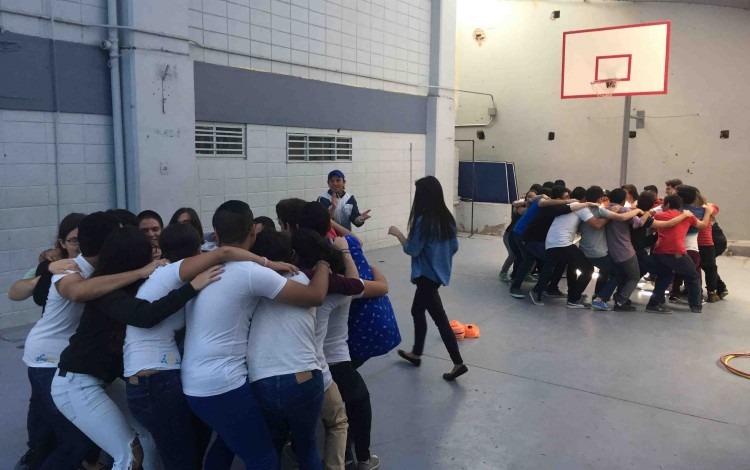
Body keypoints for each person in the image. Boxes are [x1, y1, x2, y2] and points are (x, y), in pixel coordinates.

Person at [50, 226, 221, 470]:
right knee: (129, 455)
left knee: (147, 441)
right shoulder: (106, 291)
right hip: (76, 383)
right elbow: (144, 315)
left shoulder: (130, 283)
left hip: (102, 379)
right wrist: (191, 287)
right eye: (148, 250)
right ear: (133, 257)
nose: (154, 253)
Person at [180, 200, 330, 470]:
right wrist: (322, 264)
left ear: (215, 231)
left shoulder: (201, 265)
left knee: (226, 444)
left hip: (191, 379)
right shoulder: (252, 273)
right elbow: (314, 296)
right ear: (252, 230)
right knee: (264, 458)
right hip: (222, 383)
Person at [389, 176, 467, 381]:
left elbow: (412, 249)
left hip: (427, 276)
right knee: (418, 311)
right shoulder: (445, 217)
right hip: (437, 275)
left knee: (439, 319)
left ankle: (457, 362)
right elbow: (455, 247)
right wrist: (440, 258)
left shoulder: (424, 220)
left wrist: (398, 233)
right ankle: (416, 354)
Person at [646, 195, 712, 314]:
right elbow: (703, 225)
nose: (662, 206)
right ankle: (696, 306)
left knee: (664, 276)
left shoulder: (660, 215)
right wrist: (708, 211)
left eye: (663, 204)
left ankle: (654, 303)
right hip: (676, 252)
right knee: (692, 276)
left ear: (668, 205)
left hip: (659, 251)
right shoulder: (688, 216)